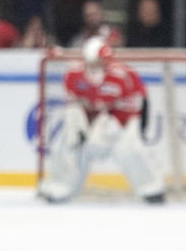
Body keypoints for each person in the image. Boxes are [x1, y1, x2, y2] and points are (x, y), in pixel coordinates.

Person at [38, 37, 165, 204]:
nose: (94, 67)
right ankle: (61, 186)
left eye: (98, 63)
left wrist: (114, 125)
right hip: (90, 118)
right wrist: (80, 127)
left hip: (119, 118)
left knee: (129, 148)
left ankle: (151, 188)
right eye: (91, 62)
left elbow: (135, 105)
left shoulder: (123, 76)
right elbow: (74, 105)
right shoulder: (73, 75)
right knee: (67, 142)